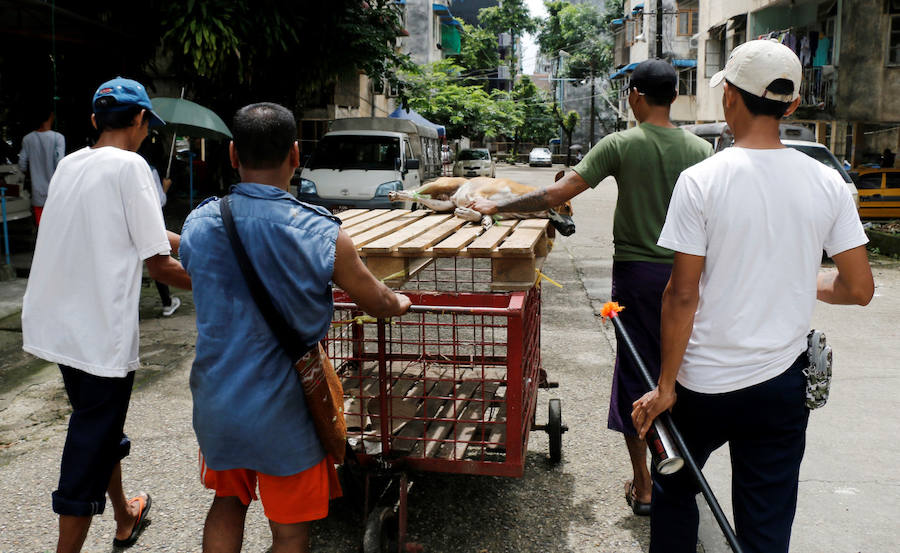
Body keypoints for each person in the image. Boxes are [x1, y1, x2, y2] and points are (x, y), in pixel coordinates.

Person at [631, 40, 874, 553]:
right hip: (782, 385)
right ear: (790, 105)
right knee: (766, 521)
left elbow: (681, 295)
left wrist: (665, 386)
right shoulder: (828, 182)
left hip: (702, 384)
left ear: (730, 99)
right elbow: (859, 288)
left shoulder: (701, 181)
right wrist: (797, 280)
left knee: (676, 492)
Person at [467, 59, 713, 516]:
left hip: (638, 278)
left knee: (636, 374)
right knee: (680, 374)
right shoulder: (702, 150)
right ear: (674, 97)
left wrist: (494, 206)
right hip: (692, 277)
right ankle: (679, 479)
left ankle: (644, 487)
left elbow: (554, 196)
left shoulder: (621, 143)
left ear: (635, 95)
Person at [180, 102, 411, 553]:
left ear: (232, 155)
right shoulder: (322, 233)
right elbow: (376, 300)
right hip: (287, 412)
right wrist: (399, 302)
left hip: (218, 403)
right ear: (295, 154)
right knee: (289, 531)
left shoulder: (200, 223)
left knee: (227, 502)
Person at [21, 77, 191, 552]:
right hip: (98, 333)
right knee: (90, 438)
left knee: (98, 425)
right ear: (139, 121)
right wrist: (225, 281)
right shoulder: (132, 166)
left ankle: (124, 516)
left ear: (95, 121)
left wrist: (205, 238)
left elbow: (146, 233)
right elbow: (157, 260)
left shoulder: (71, 163)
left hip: (60, 326)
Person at [139, 140, 180, 316]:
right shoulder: (149, 170)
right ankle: (167, 302)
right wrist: (165, 188)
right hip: (151, 223)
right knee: (159, 262)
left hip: (128, 225)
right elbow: (158, 201)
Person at [18, 109, 65, 226]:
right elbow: (60, 163)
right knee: (56, 228)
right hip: (56, 192)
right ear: (51, 117)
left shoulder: (27, 139)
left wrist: (31, 173)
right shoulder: (58, 138)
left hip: (37, 193)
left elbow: (21, 164)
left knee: (42, 229)